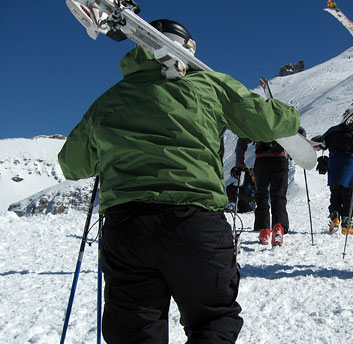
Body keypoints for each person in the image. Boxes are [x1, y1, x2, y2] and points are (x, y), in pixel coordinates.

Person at [58, 19, 301, 343]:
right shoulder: (209, 87)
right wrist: (293, 117)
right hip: (194, 222)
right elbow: (264, 121)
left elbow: (71, 164)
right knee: (213, 321)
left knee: (136, 331)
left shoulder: (108, 102)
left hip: (127, 230)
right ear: (186, 49)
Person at [232, 127, 306, 246]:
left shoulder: (259, 119)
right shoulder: (283, 119)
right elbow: (300, 132)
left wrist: (239, 164)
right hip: (281, 159)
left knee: (261, 194)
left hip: (262, 160)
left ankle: (264, 231)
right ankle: (278, 228)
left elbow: (243, 138)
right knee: (279, 195)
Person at [313, 120, 353, 235]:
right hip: (350, 165)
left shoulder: (333, 130)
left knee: (335, 192)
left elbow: (321, 143)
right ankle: (347, 222)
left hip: (334, 165)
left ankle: (335, 217)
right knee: (349, 193)